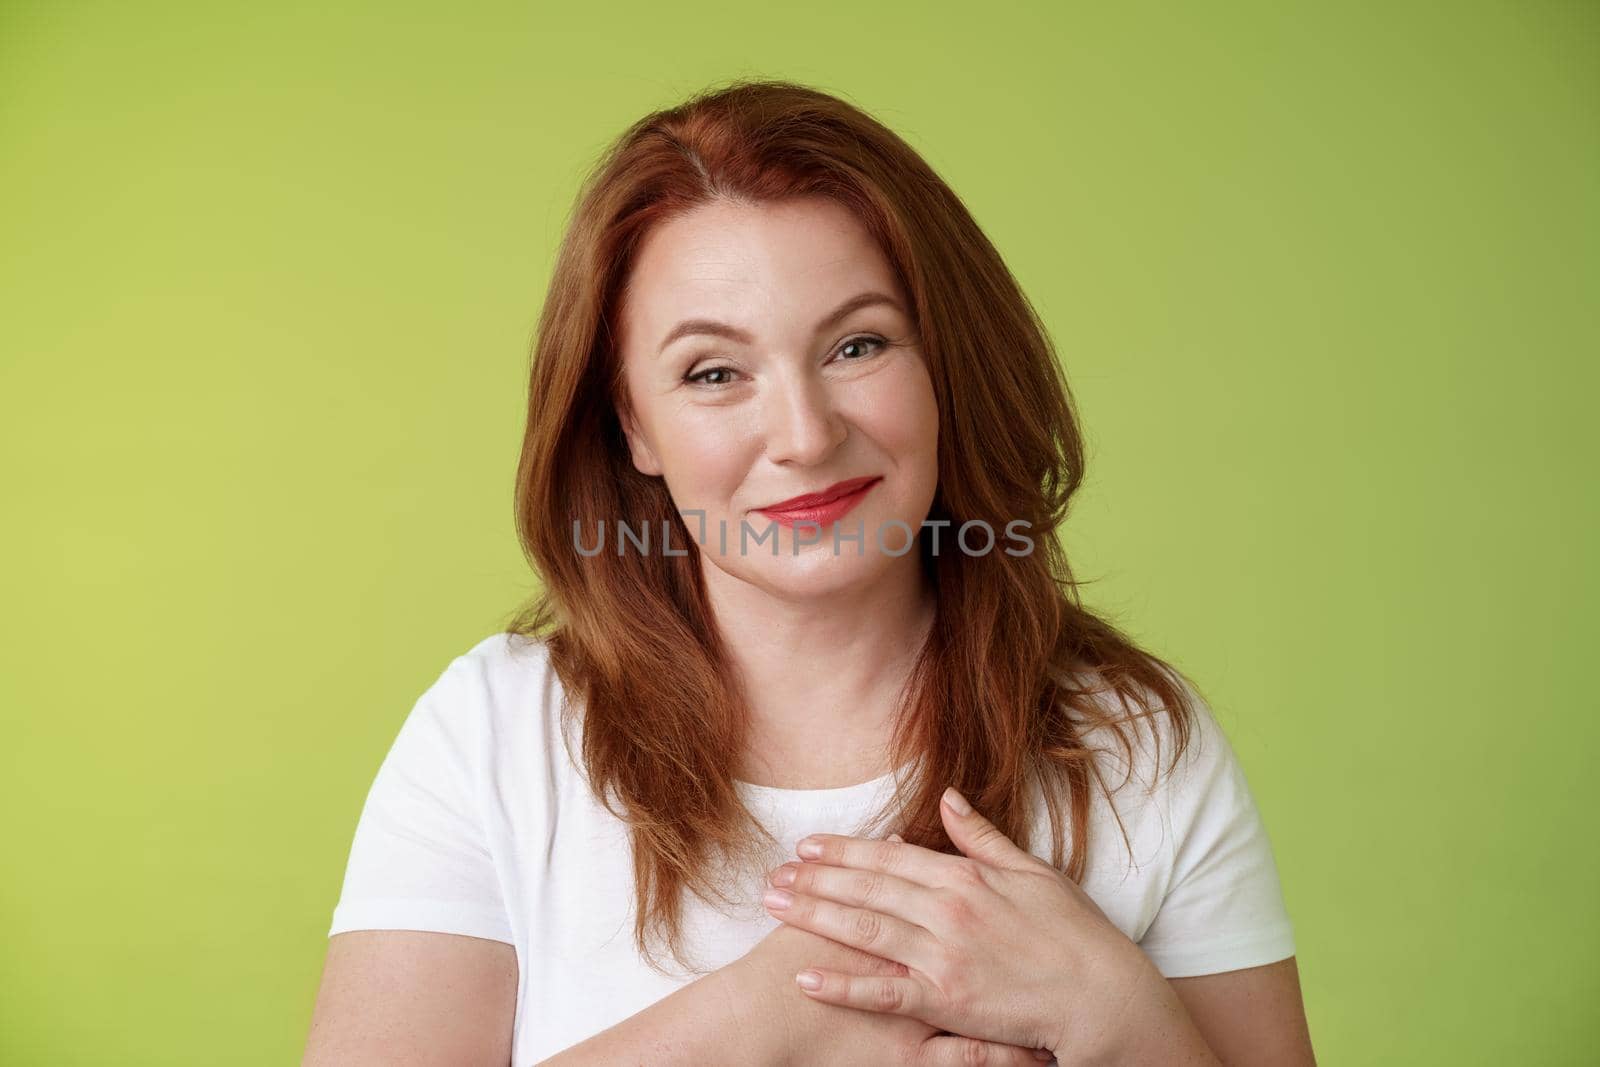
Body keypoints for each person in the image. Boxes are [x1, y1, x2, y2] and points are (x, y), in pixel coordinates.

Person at [302, 78, 1316, 1066]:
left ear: (943, 367)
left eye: (857, 345)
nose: (803, 433)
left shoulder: (1136, 745)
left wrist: (1123, 1016)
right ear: (631, 425)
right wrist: (767, 1018)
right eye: (713, 372)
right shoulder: (494, 739)